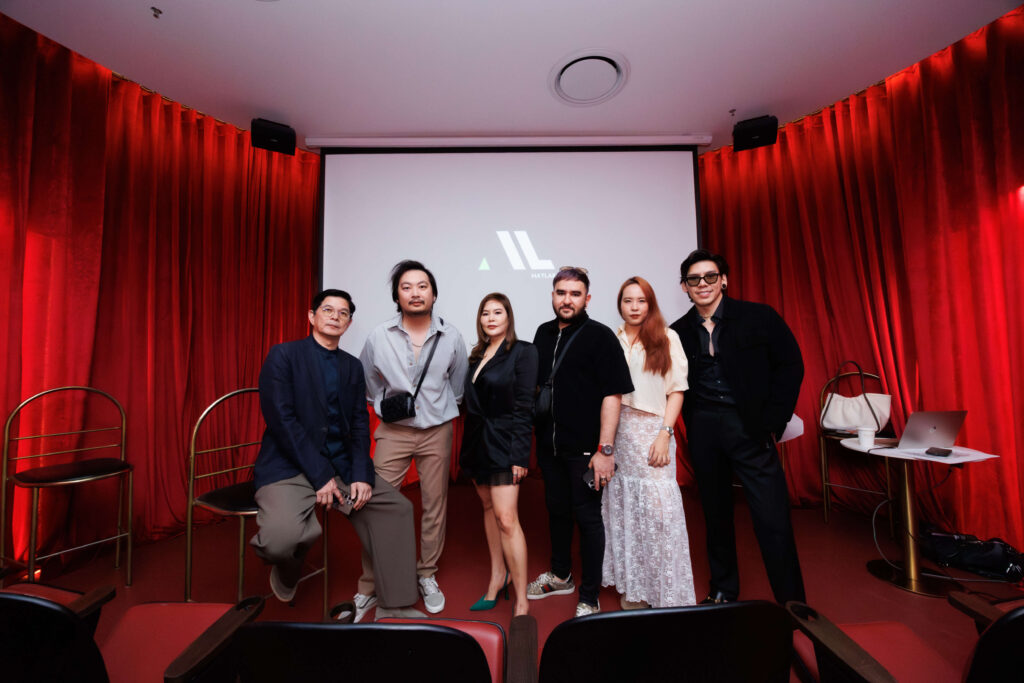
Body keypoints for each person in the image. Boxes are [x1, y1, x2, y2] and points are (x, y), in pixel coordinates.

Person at [250, 289, 423, 620]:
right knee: (279, 541)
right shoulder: (284, 355)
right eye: (327, 310)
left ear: (349, 323)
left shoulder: (352, 367)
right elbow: (282, 422)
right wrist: (320, 476)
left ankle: (395, 606)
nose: (335, 316)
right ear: (311, 316)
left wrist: (360, 474)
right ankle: (289, 569)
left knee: (397, 509)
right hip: (288, 467)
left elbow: (359, 423)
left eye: (343, 313)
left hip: (340, 467)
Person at [669, 249, 805, 605]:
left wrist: (773, 420)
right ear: (684, 287)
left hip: (750, 428)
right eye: (694, 279)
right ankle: (723, 590)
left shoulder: (759, 317)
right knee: (715, 515)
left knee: (772, 517)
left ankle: (792, 603)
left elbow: (791, 365)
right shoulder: (677, 331)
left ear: (724, 280)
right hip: (704, 430)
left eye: (710, 276)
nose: (703, 284)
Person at [358, 260, 469, 619]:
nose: (415, 293)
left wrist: (434, 408)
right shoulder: (379, 336)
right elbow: (368, 383)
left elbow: (457, 386)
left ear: (434, 294)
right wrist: (387, 406)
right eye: (406, 287)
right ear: (397, 296)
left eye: (422, 286)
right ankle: (370, 584)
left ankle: (426, 574)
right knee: (376, 505)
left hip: (437, 430)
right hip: (394, 431)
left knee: (434, 505)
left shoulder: (451, 336)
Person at [529, 266, 634, 617]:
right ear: (552, 295)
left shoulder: (600, 337)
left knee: (588, 519)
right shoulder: (543, 333)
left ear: (587, 298)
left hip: (587, 451)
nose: (567, 300)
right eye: (561, 293)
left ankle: (589, 595)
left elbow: (613, 395)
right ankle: (561, 576)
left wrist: (605, 450)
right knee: (557, 511)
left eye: (575, 294)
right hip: (550, 447)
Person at [602, 276, 696, 609]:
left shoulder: (667, 337)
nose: (634, 307)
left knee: (659, 511)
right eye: (628, 301)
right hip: (619, 430)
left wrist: (664, 434)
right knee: (626, 508)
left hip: (654, 430)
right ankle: (635, 587)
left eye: (641, 300)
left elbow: (677, 390)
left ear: (650, 304)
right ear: (620, 304)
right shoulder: (611, 338)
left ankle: (667, 590)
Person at [460, 293, 537, 617]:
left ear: (508, 317)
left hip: (505, 444)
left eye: (497, 312)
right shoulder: (476, 356)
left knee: (507, 519)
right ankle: (497, 577)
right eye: (485, 313)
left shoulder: (523, 352)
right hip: (477, 445)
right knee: (489, 509)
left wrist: (520, 455)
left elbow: (524, 406)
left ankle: (521, 600)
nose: (491, 318)